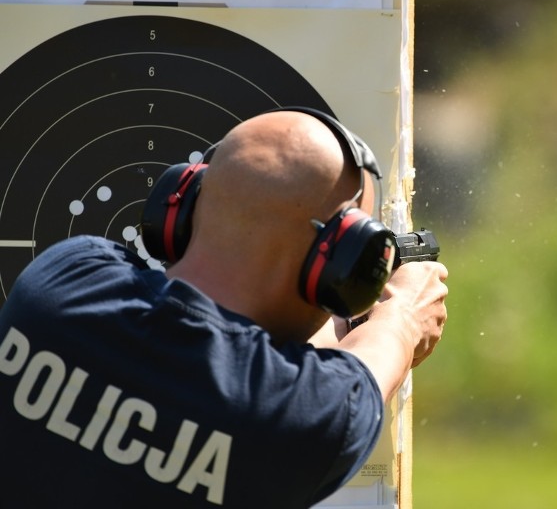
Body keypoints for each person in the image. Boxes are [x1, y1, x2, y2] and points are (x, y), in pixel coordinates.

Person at [0, 110, 448, 508]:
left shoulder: (60, 281)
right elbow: (376, 353)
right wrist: (403, 312)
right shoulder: (298, 422)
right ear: (332, 261)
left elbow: (224, 343)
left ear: (183, 202)